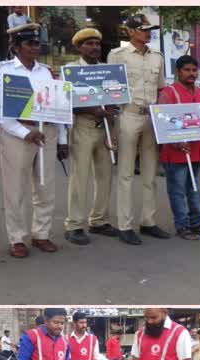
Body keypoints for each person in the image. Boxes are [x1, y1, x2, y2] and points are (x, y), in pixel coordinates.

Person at [0, 23, 68, 258]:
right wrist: (26, 133)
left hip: (47, 132)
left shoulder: (46, 71)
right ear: (15, 46)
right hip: (18, 133)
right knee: (15, 189)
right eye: (29, 43)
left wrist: (63, 139)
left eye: (37, 43)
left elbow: (59, 107)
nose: (35, 47)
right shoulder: (3, 71)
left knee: (46, 188)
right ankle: (17, 238)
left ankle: (41, 235)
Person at [107, 15, 169, 245]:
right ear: (130, 31)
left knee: (150, 172)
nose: (148, 33)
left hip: (151, 115)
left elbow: (161, 87)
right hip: (129, 114)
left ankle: (148, 221)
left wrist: (163, 117)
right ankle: (125, 225)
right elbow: (110, 88)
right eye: (143, 29)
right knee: (124, 172)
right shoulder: (117, 56)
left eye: (149, 29)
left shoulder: (157, 57)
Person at [63, 28, 119, 246]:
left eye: (97, 43)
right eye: (89, 44)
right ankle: (74, 224)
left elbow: (117, 96)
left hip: (105, 127)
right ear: (79, 47)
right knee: (80, 177)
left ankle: (99, 220)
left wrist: (111, 111)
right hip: (83, 127)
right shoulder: (70, 70)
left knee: (105, 176)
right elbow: (65, 102)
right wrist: (90, 109)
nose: (95, 48)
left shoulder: (108, 70)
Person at [158, 55, 200, 240]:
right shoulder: (168, 92)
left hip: (196, 150)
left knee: (195, 188)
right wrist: (175, 142)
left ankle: (197, 223)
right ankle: (182, 226)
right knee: (177, 190)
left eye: (194, 70)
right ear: (178, 72)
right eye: (187, 70)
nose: (191, 74)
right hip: (175, 152)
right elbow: (162, 121)